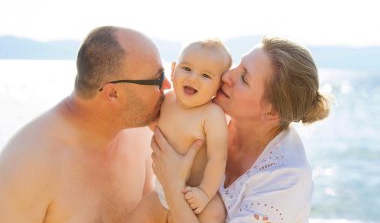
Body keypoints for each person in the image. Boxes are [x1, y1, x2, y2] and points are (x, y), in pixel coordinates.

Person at [0, 26, 171, 222]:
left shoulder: (141, 135)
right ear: (113, 93)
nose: (167, 86)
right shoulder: (27, 164)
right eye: (157, 79)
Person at [151, 36, 330, 223]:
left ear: (272, 112)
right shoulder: (208, 114)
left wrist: (173, 187)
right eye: (238, 65)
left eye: (244, 78)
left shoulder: (286, 182)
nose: (227, 76)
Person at [131, 39, 232, 223]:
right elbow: (154, 124)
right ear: (173, 69)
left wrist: (204, 192)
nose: (193, 78)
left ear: (218, 86)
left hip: (196, 194)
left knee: (215, 214)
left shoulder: (212, 115)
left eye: (206, 75)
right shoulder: (168, 100)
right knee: (138, 215)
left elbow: (218, 158)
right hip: (161, 191)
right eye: (186, 69)